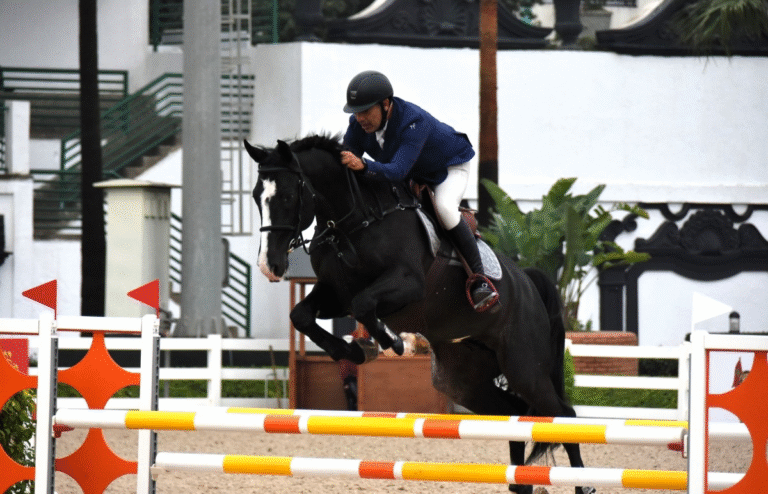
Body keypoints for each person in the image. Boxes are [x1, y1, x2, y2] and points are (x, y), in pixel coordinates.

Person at [340, 70, 498, 312]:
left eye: (366, 111)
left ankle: (479, 280)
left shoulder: (413, 122)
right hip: (413, 172)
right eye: (356, 112)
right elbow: (345, 165)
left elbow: (397, 171)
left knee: (445, 209)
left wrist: (363, 166)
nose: (360, 118)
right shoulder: (358, 126)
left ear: (385, 104)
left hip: (448, 167)